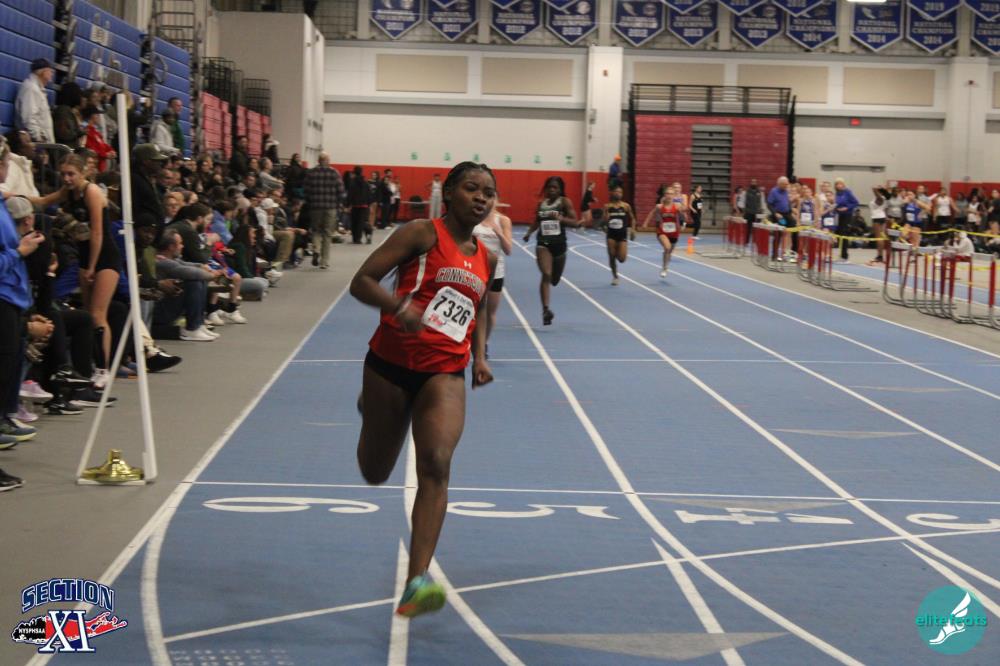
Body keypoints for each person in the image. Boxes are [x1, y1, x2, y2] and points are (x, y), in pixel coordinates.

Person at [349, 161, 497, 619]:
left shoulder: (487, 258)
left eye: (488, 192)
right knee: (375, 471)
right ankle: (372, 409)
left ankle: (417, 581)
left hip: (445, 373)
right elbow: (361, 282)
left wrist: (480, 356)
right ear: (448, 193)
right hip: (391, 365)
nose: (481, 197)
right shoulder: (421, 233)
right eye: (471, 188)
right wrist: (400, 308)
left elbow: (475, 309)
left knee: (436, 462)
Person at [36, 154, 122, 389]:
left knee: (98, 314)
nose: (66, 178)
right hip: (85, 255)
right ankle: (93, 364)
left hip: (104, 256)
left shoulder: (91, 191)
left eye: (71, 174)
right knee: (88, 314)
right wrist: (11, 196)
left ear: (83, 172)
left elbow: (97, 232)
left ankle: (103, 369)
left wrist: (92, 266)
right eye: (63, 174)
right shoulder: (68, 191)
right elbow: (43, 201)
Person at [0, 136, 46, 467]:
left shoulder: (3, 204)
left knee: (12, 360)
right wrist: (20, 251)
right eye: (6, 164)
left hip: (13, 294)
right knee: (3, 362)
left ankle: (5, 416)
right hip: (2, 293)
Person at [522, 176, 580, 325]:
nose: (552, 190)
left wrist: (562, 219)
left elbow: (575, 222)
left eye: (555, 187)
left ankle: (547, 304)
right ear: (546, 189)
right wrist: (529, 233)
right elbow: (537, 221)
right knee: (546, 274)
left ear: (560, 190)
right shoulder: (541, 204)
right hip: (543, 244)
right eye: (549, 187)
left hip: (559, 245)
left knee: (554, 280)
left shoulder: (564, 202)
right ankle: (546, 310)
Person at [472, 198, 512, 352]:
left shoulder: (503, 220)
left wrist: (498, 232)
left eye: (492, 197)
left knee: (490, 312)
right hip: (475, 270)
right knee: (473, 309)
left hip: (496, 272)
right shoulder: (474, 217)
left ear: (497, 200)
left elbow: (508, 250)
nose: (489, 201)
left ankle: (483, 343)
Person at [303, 152, 345, 269]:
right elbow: (341, 191)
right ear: (327, 161)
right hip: (330, 207)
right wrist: (339, 203)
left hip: (315, 207)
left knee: (316, 230)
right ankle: (324, 261)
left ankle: (316, 249)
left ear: (318, 161)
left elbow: (306, 190)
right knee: (327, 233)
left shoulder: (311, 173)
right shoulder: (334, 172)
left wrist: (310, 201)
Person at [642, 185, 683, 277]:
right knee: (667, 248)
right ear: (664, 195)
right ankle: (664, 267)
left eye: (671, 194)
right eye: (667, 193)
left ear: (674, 196)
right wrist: (645, 223)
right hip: (662, 232)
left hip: (674, 233)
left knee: (669, 252)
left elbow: (683, 216)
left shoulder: (677, 206)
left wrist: (682, 217)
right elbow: (651, 213)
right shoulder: (659, 206)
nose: (669, 195)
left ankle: (665, 266)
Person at [15, 58, 55, 144]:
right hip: (36, 144)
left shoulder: (37, 89)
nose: (52, 74)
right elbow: (29, 118)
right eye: (50, 71)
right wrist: (39, 139)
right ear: (44, 72)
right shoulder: (31, 88)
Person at [603, 186, 635, 285]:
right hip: (611, 235)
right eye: (616, 191)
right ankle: (615, 276)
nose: (618, 193)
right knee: (611, 256)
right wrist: (605, 221)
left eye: (620, 192)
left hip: (622, 235)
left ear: (622, 194)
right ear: (612, 193)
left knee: (622, 259)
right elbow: (604, 222)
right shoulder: (607, 206)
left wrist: (633, 230)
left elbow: (633, 218)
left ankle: (618, 250)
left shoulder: (626, 206)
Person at [834, 178, 860, 262]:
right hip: (840, 215)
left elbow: (856, 202)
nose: (839, 185)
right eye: (837, 184)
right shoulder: (837, 193)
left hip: (847, 216)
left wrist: (847, 208)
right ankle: (841, 254)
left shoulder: (847, 192)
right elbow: (837, 204)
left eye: (840, 184)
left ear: (843, 184)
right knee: (838, 234)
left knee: (844, 234)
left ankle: (844, 256)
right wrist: (837, 209)